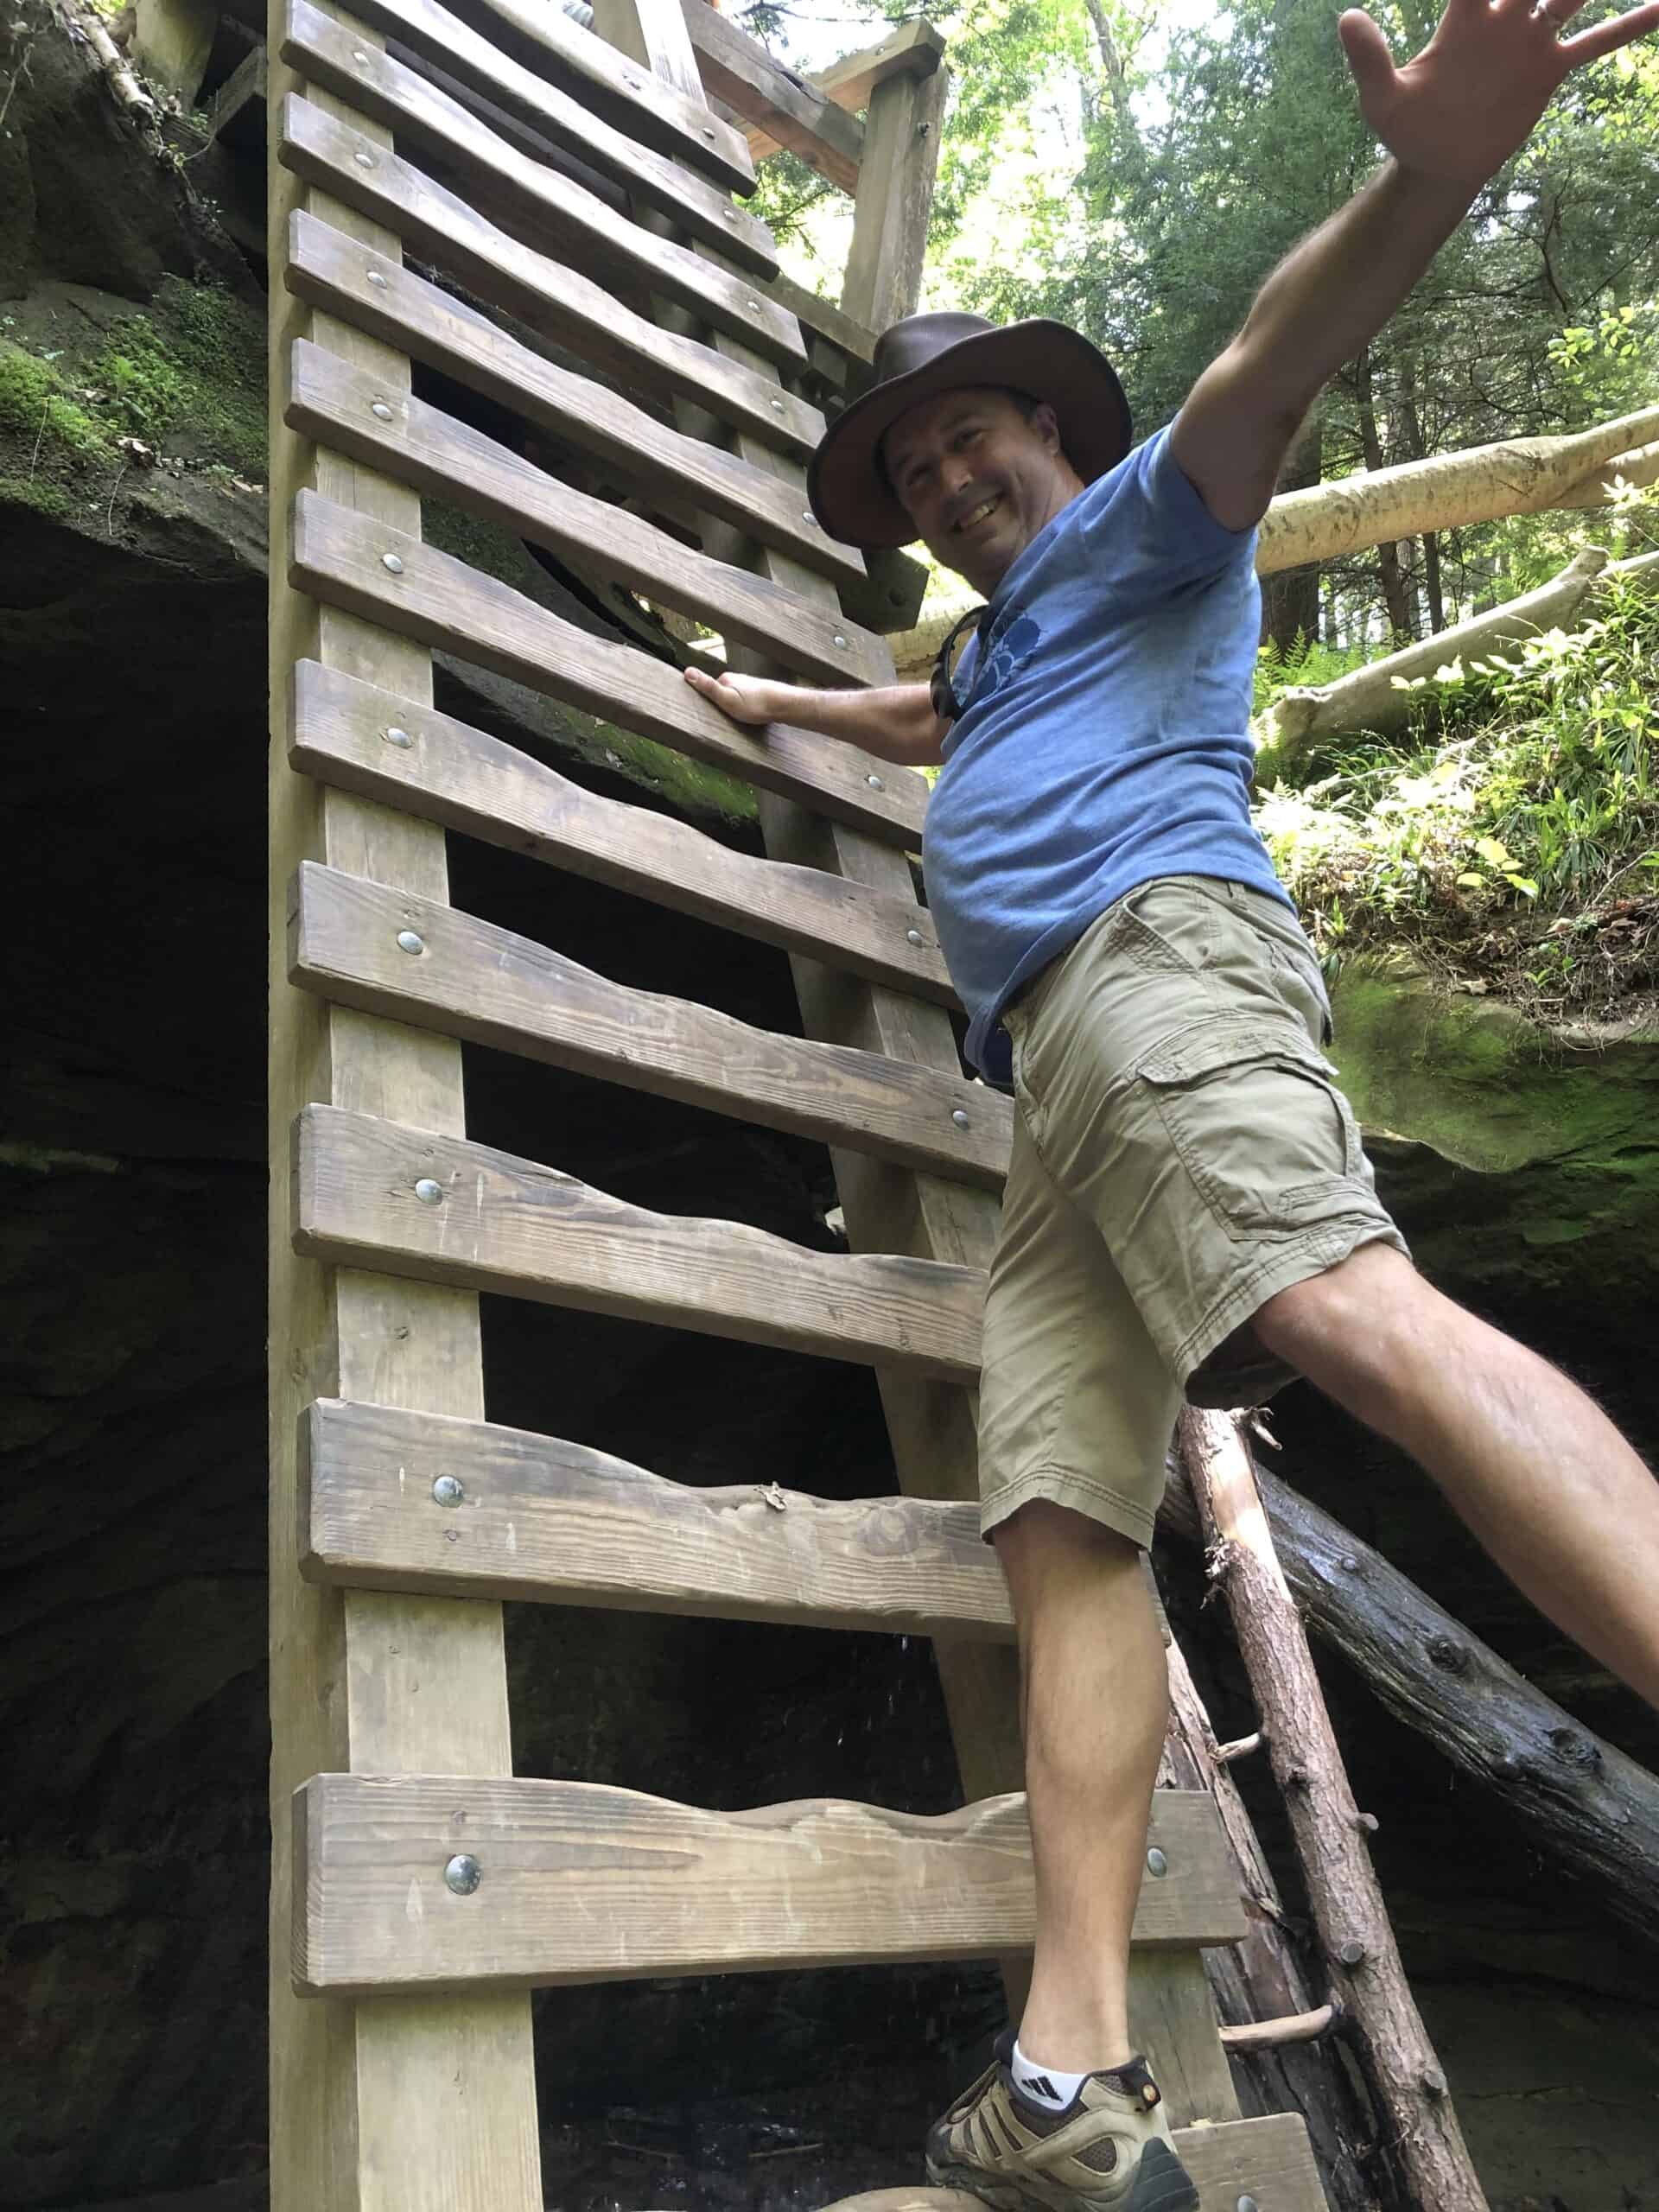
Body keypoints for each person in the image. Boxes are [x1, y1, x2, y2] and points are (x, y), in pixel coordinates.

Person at [686, 0, 1659, 2203]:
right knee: (1057, 1525)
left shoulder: (1153, 522)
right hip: (1055, 1086)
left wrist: (1435, 169)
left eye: (969, 441)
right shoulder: (989, 648)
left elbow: (1263, 370)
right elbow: (914, 716)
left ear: (1049, 426)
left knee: (1341, 1307)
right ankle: (1073, 2080)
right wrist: (769, 700)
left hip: (1157, 958)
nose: (948, 485)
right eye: (916, 478)